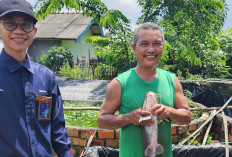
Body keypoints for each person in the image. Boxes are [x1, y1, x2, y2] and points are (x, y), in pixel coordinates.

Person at [97, 22, 191, 157]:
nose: (151, 49)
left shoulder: (172, 81)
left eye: (157, 44)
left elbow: (187, 117)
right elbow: (101, 121)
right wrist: (129, 117)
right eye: (144, 44)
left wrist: (169, 111)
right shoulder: (119, 83)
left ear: (163, 47)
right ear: (134, 48)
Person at [0, 0, 73, 156]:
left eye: (26, 24)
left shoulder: (46, 77)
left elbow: (57, 130)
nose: (19, 31)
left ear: (34, 31)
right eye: (10, 23)